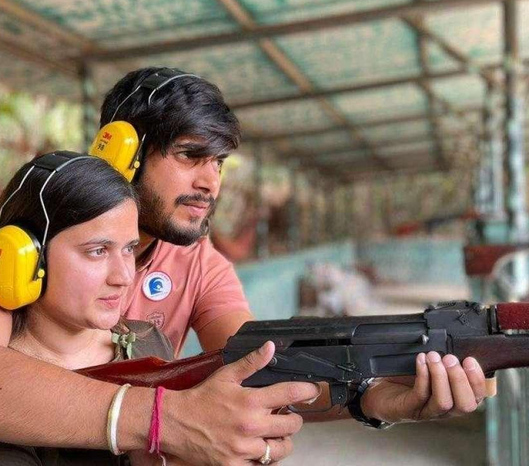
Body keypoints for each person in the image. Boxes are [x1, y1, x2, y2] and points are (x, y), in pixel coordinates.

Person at [0, 68, 487, 464]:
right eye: (192, 156)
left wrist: (372, 394)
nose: (212, 182)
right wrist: (169, 420)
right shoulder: (20, 249)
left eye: (218, 163)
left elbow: (261, 366)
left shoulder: (202, 266)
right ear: (121, 151)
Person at [0, 153, 305, 465]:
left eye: (130, 249)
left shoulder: (147, 339)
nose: (125, 276)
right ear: (22, 254)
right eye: (97, 251)